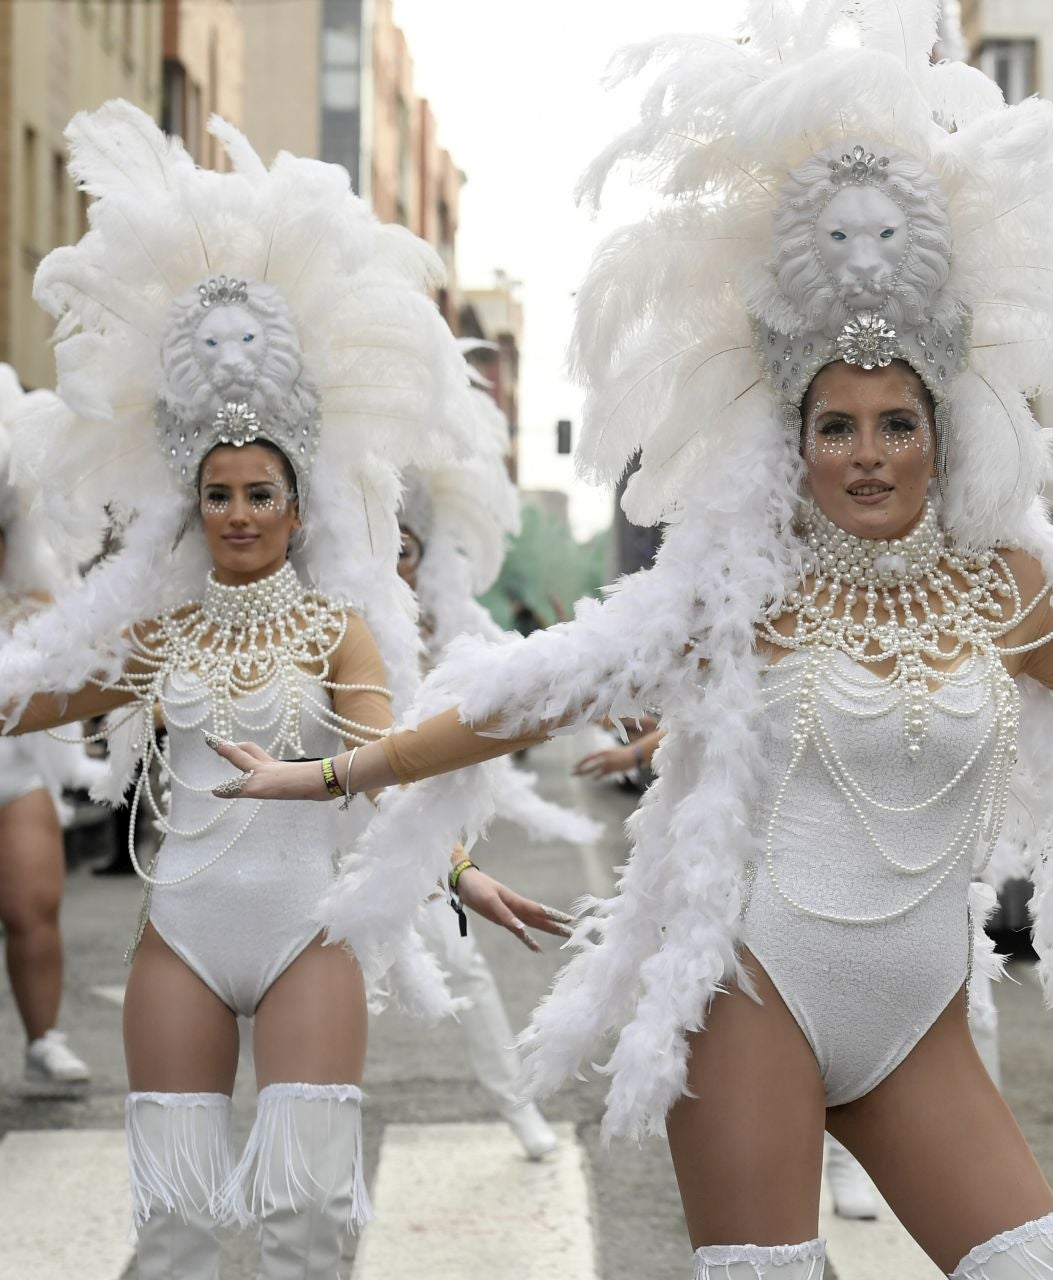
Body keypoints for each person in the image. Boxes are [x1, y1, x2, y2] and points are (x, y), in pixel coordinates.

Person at [204, 10, 1053, 1276]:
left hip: (918, 1018)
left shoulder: (1008, 586)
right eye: (838, 425)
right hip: (748, 995)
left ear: (947, 432)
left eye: (896, 421)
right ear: (797, 440)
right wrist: (330, 774)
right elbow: (528, 695)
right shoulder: (743, 586)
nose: (869, 453)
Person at [0, 105, 561, 1278]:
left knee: (309, 1228)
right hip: (182, 942)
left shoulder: (339, 628)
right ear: (192, 509)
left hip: (307, 936)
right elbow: (30, 696)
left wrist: (461, 875)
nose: (242, 514)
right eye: (220, 494)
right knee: (178, 1233)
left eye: (262, 493)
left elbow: (380, 772)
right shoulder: (157, 632)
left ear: (298, 507)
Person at [393, 386, 603, 1162]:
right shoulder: (328, 626)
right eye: (379, 545)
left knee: (463, 970)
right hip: (316, 826)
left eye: (406, 547)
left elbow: (510, 690)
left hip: (412, 836)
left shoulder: (449, 631)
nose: (395, 562)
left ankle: (518, 1111)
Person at [0, 365, 97, 1086]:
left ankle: (44, 1038)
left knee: (35, 901)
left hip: (12, 757)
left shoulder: (24, 580)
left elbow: (51, 620)